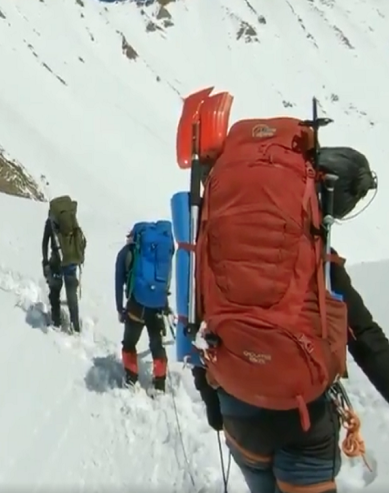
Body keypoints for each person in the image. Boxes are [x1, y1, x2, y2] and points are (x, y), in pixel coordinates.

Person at [187, 116, 383, 493]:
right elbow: (367, 341)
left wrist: (214, 405)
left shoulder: (215, 251)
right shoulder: (322, 270)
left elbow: (196, 323)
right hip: (302, 422)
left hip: (238, 415)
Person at [194, 261, 389, 493]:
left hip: (241, 417)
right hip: (307, 419)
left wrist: (212, 404)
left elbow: (195, 330)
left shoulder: (213, 243)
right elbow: (364, 335)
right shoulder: (313, 243)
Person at [115, 222, 174, 392]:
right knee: (156, 345)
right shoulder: (161, 252)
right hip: (157, 304)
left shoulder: (126, 253)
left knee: (129, 343)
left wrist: (120, 309)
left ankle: (131, 379)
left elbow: (119, 282)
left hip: (136, 305)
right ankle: (160, 384)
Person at [41, 197, 85, 333]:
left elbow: (45, 243)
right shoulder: (72, 219)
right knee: (72, 293)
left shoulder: (50, 222)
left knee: (55, 290)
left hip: (58, 261)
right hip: (72, 260)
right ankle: (75, 325)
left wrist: (45, 262)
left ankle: (56, 322)